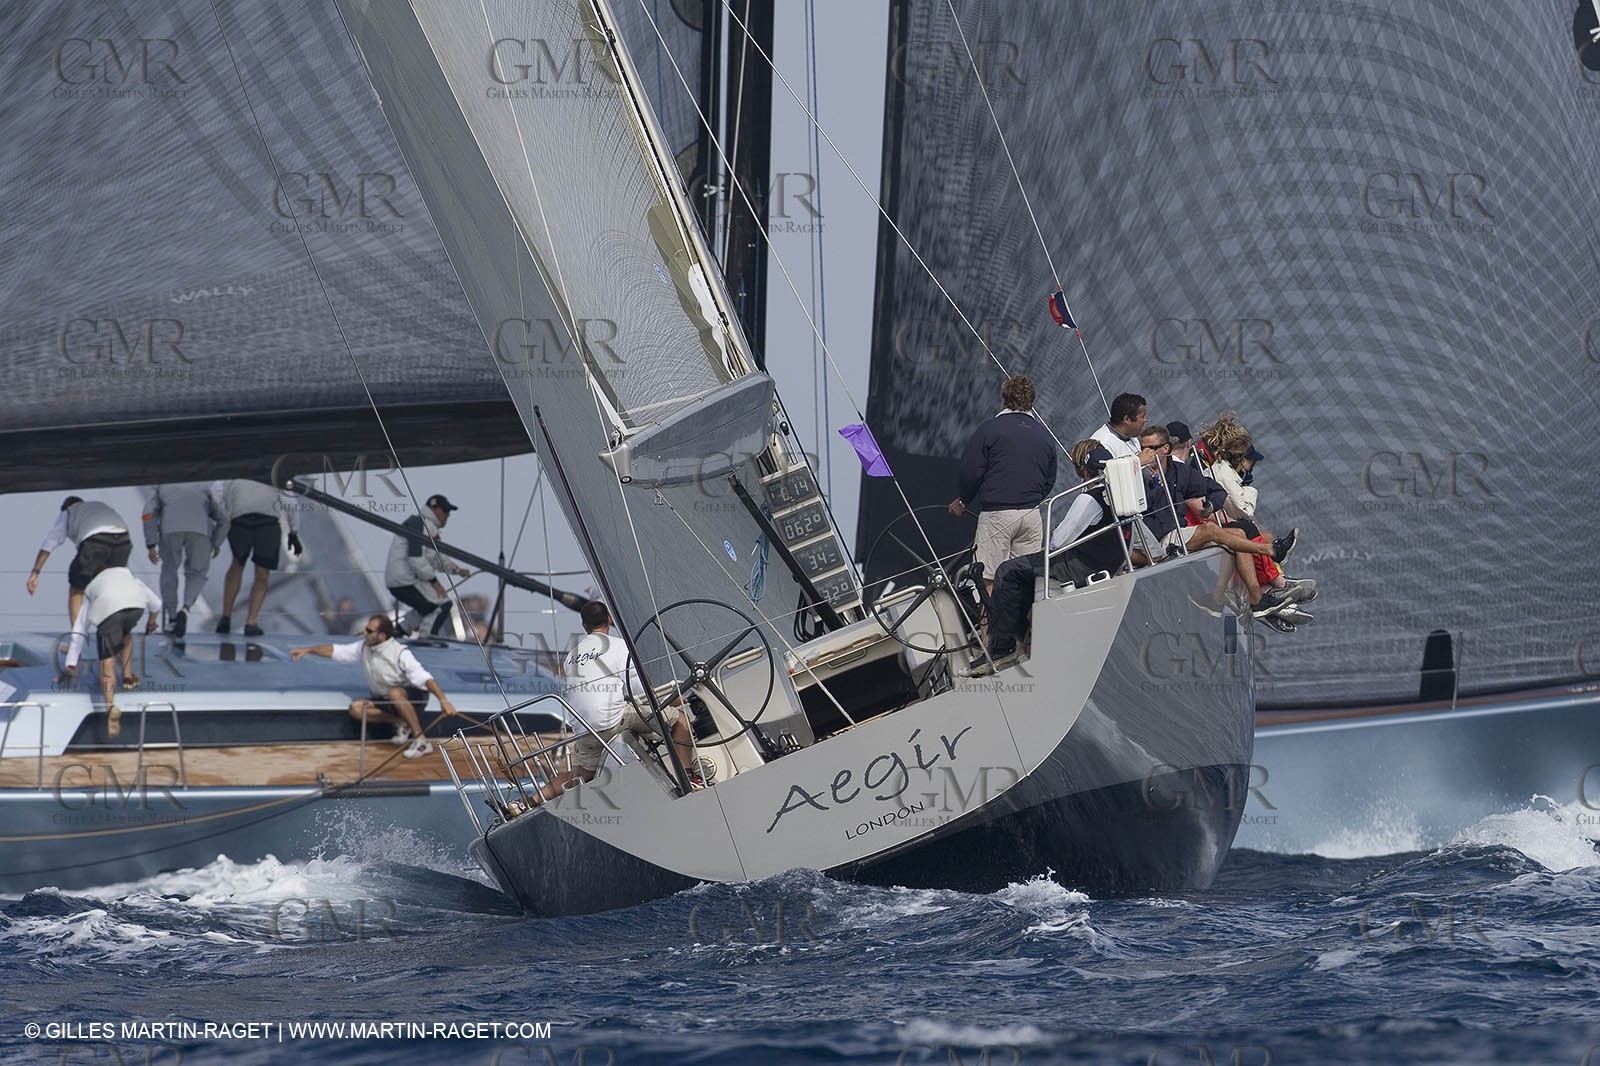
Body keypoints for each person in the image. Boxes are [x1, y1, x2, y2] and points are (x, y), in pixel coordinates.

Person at [550, 601, 695, 795]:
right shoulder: (619, 646)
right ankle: (689, 779)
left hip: (584, 729)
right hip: (611, 721)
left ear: (584, 626)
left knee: (580, 776)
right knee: (680, 722)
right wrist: (672, 700)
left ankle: (527, 801)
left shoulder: (571, 656)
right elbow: (640, 691)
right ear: (609, 620)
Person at [289, 615, 458, 758]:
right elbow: (337, 651)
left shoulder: (400, 653)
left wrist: (444, 701)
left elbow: (425, 678)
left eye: (369, 631)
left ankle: (421, 741)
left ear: (382, 636)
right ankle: (402, 722)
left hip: (412, 699)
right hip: (386, 700)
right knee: (356, 709)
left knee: (395, 693)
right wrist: (309, 650)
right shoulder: (365, 647)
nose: (365, 633)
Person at [949, 375, 1058, 593]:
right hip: (1031, 516)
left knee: (987, 577)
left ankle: (988, 628)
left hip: (998, 515)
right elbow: (1049, 479)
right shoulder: (1044, 436)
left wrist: (963, 501)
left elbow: (971, 472)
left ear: (1004, 398)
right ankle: (1021, 626)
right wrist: (1030, 499)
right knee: (1024, 578)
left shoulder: (990, 430)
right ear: (1032, 401)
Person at [63, 565, 161, 740]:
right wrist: (151, 623)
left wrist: (71, 662)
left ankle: (110, 707)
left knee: (106, 660)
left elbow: (81, 627)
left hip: (109, 608)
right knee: (125, 634)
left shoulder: (94, 586)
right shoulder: (132, 579)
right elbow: (157, 604)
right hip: (136, 606)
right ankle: (128, 676)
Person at [26, 496, 133, 627]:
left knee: (77, 589)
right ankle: (118, 632)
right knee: (110, 588)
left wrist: (35, 572)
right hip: (123, 540)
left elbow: (50, 542)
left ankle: (77, 639)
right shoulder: (95, 506)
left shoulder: (68, 511)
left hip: (96, 541)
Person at [216, 479, 301, 636]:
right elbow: (289, 500)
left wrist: (294, 532)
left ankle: (240, 620)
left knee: (250, 569)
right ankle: (237, 619)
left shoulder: (262, 470)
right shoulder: (268, 470)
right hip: (251, 522)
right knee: (247, 568)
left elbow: (220, 493)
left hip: (255, 522)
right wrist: (293, 531)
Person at [142, 482, 227, 638]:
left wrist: (151, 544)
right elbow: (224, 519)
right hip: (200, 531)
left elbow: (148, 514)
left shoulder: (162, 488)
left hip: (170, 530)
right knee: (197, 573)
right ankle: (186, 609)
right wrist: (216, 543)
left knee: (169, 570)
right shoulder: (204, 489)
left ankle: (172, 617)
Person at [385, 494, 471, 637]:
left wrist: (457, 570)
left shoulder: (427, 528)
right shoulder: (419, 524)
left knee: (427, 605)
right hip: (404, 580)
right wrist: (434, 582)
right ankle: (427, 636)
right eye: (445, 511)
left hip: (403, 579)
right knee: (441, 604)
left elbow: (436, 558)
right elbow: (415, 559)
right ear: (435, 510)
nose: (448, 515)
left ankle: (401, 631)